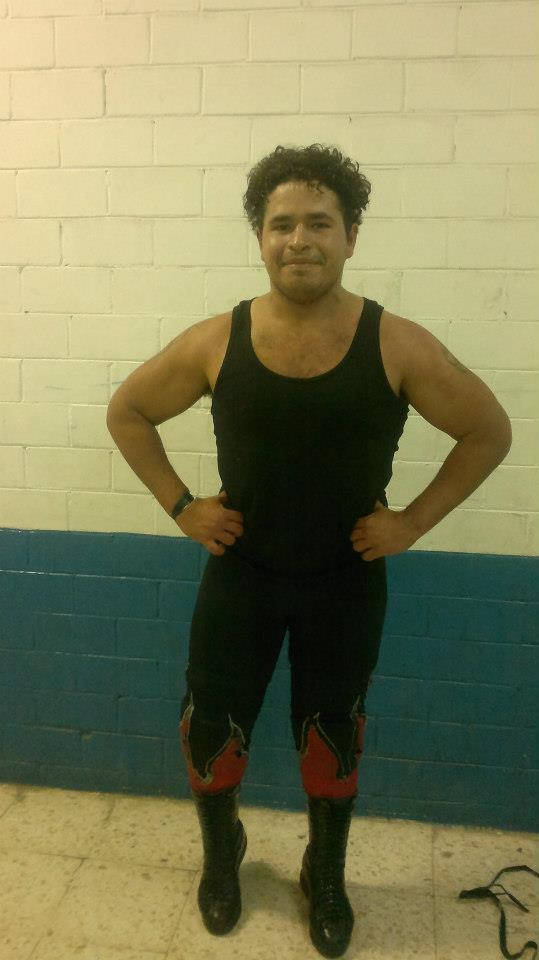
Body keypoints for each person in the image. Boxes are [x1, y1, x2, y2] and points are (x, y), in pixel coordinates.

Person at [106, 143, 512, 958]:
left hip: (343, 584)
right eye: (281, 223)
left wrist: (412, 523)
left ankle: (323, 871)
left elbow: (487, 431)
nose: (299, 239)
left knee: (333, 735)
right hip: (241, 580)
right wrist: (182, 506)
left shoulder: (395, 344)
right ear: (260, 238)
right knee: (210, 729)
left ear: (350, 235)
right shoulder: (216, 340)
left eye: (319, 223)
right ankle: (222, 854)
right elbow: (127, 413)